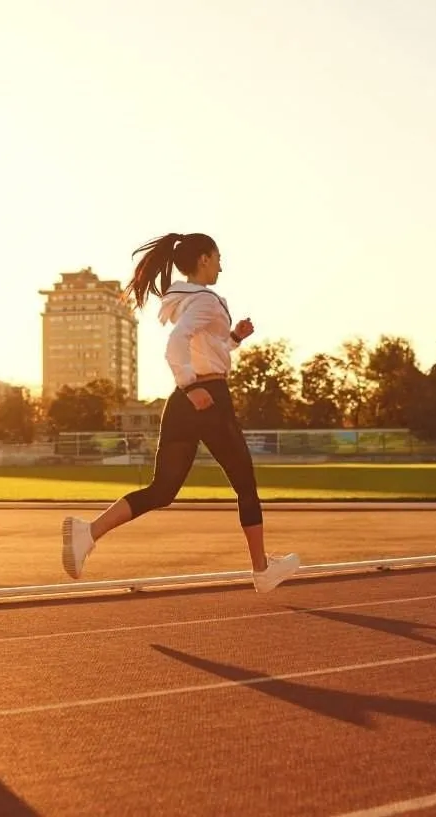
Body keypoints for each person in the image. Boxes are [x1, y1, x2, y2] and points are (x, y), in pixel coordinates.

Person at [60, 232, 301, 592]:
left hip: (183, 403)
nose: (222, 264)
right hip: (207, 397)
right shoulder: (204, 301)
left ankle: (88, 533)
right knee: (246, 485)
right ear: (203, 259)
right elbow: (176, 345)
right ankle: (262, 569)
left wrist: (233, 339)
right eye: (218, 257)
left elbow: (207, 347)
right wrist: (193, 385)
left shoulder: (189, 300)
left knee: (162, 490)